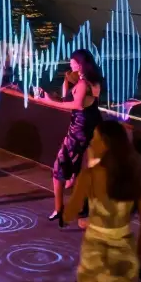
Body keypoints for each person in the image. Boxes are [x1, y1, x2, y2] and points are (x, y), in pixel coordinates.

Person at [66, 120, 141, 282]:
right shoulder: (137, 174)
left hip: (95, 256)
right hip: (124, 255)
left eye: (95, 139)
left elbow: (69, 213)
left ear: (105, 144)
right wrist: (138, 255)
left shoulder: (90, 175)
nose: (90, 143)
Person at [38, 49, 104, 227]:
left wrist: (49, 102)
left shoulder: (83, 84)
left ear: (81, 64)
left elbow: (76, 105)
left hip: (80, 129)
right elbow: (73, 99)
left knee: (58, 168)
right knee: (83, 169)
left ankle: (59, 209)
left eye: (73, 62)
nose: (70, 64)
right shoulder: (92, 81)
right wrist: (60, 91)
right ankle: (83, 206)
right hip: (92, 126)